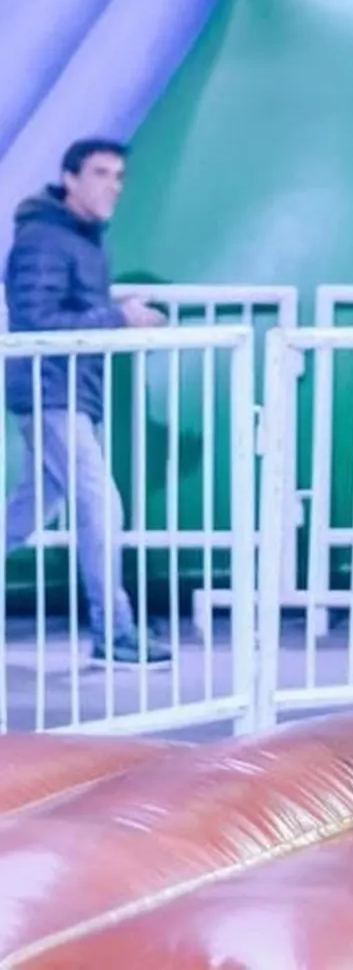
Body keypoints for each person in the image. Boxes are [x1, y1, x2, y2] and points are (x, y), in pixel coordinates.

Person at [3, 138, 172, 665]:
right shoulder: (44, 239)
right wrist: (118, 317)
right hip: (51, 391)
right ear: (69, 178)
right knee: (100, 503)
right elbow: (36, 322)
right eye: (101, 173)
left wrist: (114, 308)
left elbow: (61, 308)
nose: (113, 186)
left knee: (29, 510)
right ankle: (115, 632)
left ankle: (115, 632)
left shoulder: (77, 237)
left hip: (65, 391)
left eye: (119, 176)